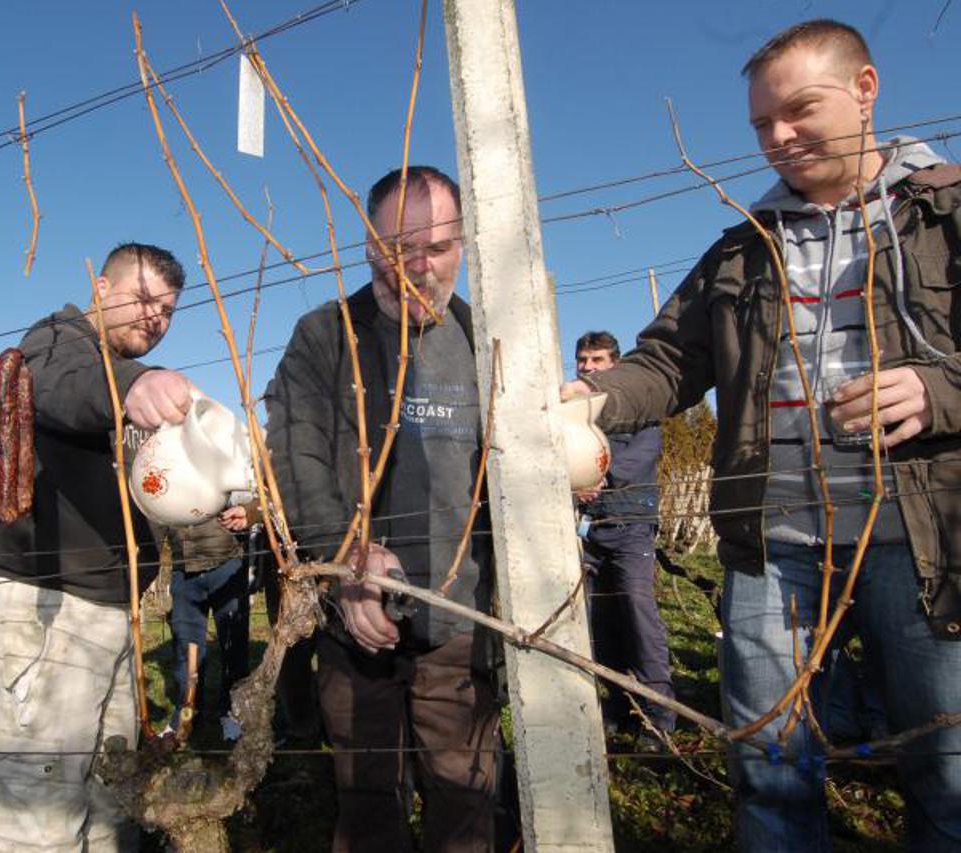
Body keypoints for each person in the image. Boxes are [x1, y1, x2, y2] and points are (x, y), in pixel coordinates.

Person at [561, 20, 961, 850]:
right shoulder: (740, 252)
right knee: (771, 767)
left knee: (945, 765)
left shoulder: (947, 211)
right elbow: (668, 361)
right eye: (760, 125)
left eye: (799, 111)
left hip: (918, 539)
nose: (778, 138)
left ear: (865, 90)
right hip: (770, 545)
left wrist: (939, 387)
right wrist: (594, 401)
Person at [266, 165, 499, 852]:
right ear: (369, 244)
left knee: (468, 793)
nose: (420, 266)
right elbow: (294, 451)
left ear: (464, 245)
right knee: (367, 798)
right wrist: (347, 554)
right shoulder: (324, 337)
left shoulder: (487, 339)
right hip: (353, 618)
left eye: (440, 246)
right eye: (400, 248)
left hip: (464, 618)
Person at [0, 243, 196, 851]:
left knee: (108, 795)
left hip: (110, 611)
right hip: (43, 612)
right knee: (39, 808)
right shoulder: (55, 341)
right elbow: (62, 386)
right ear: (100, 288)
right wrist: (138, 386)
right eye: (143, 299)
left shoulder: (111, 370)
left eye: (167, 311)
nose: (155, 318)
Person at [573, 331, 675, 745]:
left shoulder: (639, 409)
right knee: (599, 623)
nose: (588, 368)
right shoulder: (576, 414)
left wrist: (598, 477)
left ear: (614, 364)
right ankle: (618, 706)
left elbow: (640, 456)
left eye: (597, 360)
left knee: (639, 616)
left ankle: (657, 717)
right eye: (582, 360)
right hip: (591, 530)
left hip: (631, 526)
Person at [164, 504, 256, 741]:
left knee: (233, 644)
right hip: (183, 566)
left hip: (226, 561)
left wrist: (249, 509)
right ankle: (187, 710)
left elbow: (255, 495)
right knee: (186, 644)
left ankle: (232, 712)